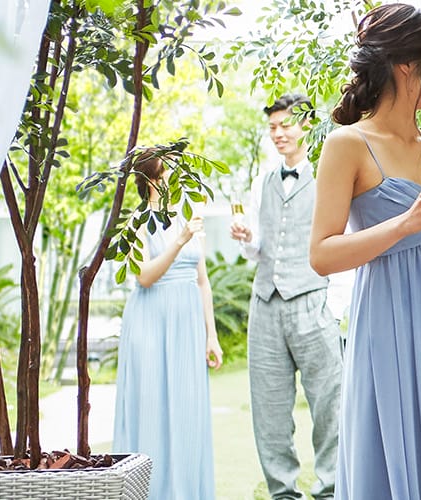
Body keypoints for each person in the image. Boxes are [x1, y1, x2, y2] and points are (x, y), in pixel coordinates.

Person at [309, 4, 421, 498]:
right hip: (389, 323)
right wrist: (403, 223)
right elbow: (322, 254)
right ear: (408, 65)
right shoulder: (348, 144)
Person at [228, 92, 344, 500]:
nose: (278, 133)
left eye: (285, 125)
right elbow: (260, 246)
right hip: (265, 304)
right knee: (269, 409)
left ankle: (330, 489)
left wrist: (334, 305)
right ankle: (282, 493)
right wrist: (247, 237)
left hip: (313, 299)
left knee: (330, 405)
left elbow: (343, 239)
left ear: (306, 124)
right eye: (273, 127)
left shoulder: (329, 175)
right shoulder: (263, 180)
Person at [113, 156, 220, 500]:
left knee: (187, 408)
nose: (175, 179)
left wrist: (211, 335)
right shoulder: (137, 222)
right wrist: (180, 240)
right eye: (167, 173)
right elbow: (144, 276)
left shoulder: (189, 216)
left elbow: (203, 281)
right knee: (152, 406)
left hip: (187, 323)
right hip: (151, 321)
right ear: (152, 180)